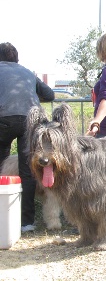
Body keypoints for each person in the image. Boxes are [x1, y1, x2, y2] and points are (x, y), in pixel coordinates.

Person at [0, 42, 55, 232]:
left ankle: (3, 217)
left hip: (2, 119)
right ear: (17, 59)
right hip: (30, 121)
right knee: (28, 171)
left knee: (1, 167)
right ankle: (27, 222)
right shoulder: (27, 72)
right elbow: (50, 94)